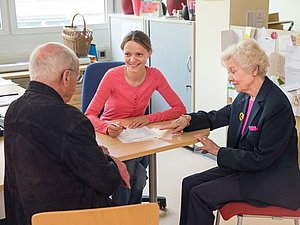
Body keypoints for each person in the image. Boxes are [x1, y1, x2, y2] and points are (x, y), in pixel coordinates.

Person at [160, 38, 300, 225]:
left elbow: (261, 159)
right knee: (189, 183)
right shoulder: (243, 97)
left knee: (199, 194)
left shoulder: (276, 106)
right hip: (246, 170)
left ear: (254, 69)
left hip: (269, 180)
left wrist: (218, 151)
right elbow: (216, 117)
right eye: (228, 71)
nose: (229, 77)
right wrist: (187, 119)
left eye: (233, 71)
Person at [4, 42, 130, 225]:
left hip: (26, 216)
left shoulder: (14, 109)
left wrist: (94, 153)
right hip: (72, 217)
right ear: (66, 76)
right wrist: (110, 161)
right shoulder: (69, 118)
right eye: (77, 77)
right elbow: (106, 182)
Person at [85, 30, 186, 205]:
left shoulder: (155, 75)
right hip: (110, 137)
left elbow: (179, 108)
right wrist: (107, 128)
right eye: (128, 54)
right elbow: (89, 115)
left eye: (139, 54)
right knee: (136, 174)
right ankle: (127, 217)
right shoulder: (112, 76)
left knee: (136, 174)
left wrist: (148, 118)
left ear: (149, 53)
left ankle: (126, 217)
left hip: (137, 135)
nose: (133, 60)